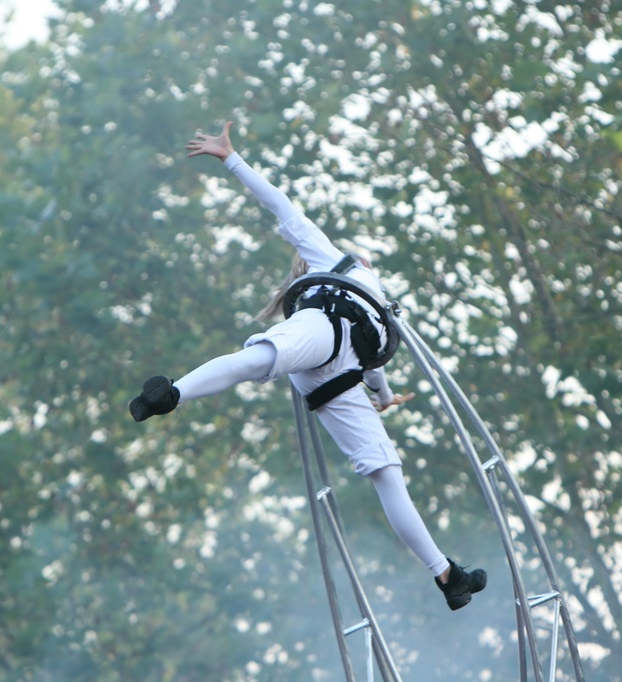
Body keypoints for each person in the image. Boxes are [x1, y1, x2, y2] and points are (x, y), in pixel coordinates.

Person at [130, 121, 486, 612]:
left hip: (336, 366)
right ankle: (170, 393)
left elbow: (372, 366)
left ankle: (450, 575)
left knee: (375, 460)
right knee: (378, 469)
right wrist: (231, 158)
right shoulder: (336, 262)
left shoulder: (355, 288)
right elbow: (280, 204)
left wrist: (384, 398)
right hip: (329, 335)